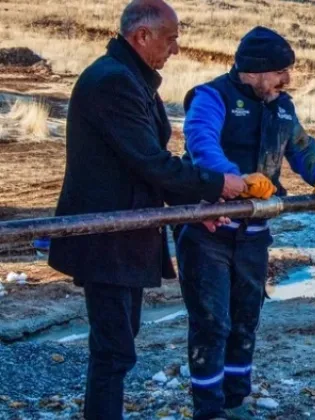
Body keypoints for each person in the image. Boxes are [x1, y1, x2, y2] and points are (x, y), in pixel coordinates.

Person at [47, 1, 247, 418]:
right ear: (142, 36)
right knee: (113, 349)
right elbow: (150, 162)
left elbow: (149, 162)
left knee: (118, 343)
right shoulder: (113, 83)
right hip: (107, 238)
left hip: (125, 235)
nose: (175, 49)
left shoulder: (130, 79)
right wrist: (216, 184)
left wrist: (194, 207)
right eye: (171, 39)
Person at [175, 26, 315, 419]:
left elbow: (301, 146)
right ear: (254, 70)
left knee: (246, 318)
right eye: (280, 71)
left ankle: (236, 400)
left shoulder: (282, 105)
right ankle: (208, 409)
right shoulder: (211, 97)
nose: (287, 80)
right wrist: (236, 180)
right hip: (208, 232)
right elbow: (200, 143)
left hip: (254, 236)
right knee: (212, 322)